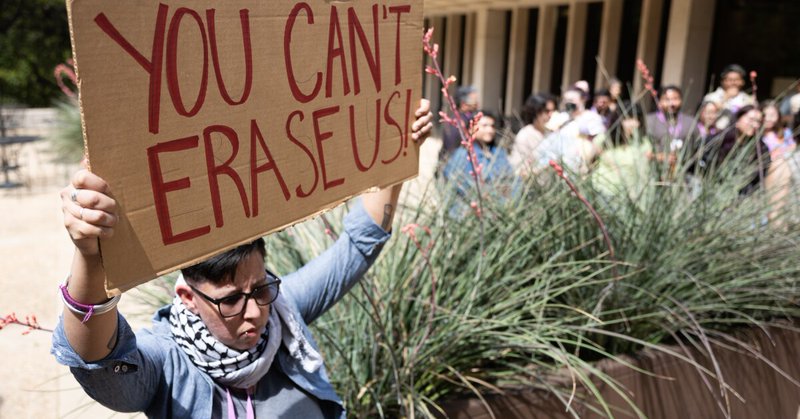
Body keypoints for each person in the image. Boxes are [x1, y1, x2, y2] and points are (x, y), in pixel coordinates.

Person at [51, 101, 434, 418]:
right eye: (232, 299)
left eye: (261, 287)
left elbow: (357, 247)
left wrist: (397, 158)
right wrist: (92, 255)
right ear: (188, 297)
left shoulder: (283, 312)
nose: (255, 313)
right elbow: (97, 358)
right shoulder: (167, 363)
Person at [443, 111, 516, 198]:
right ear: (471, 128)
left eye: (492, 126)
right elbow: (457, 183)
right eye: (484, 126)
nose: (490, 130)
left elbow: (510, 177)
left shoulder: (499, 153)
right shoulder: (462, 154)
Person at [703, 104, 769, 196]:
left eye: (758, 122)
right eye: (751, 120)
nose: (755, 125)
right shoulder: (719, 140)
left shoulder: (761, 149)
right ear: (738, 119)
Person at [509, 93, 555, 176]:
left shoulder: (552, 134)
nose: (550, 115)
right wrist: (544, 167)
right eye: (547, 111)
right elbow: (519, 171)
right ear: (535, 111)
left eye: (552, 111)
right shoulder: (525, 135)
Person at [645, 85, 699, 155]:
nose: (671, 104)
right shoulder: (649, 121)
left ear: (681, 100)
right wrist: (659, 157)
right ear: (659, 102)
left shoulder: (691, 122)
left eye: (675, 99)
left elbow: (695, 147)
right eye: (667, 99)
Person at [440, 85, 479, 160]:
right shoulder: (455, 123)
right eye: (474, 101)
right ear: (463, 105)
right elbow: (451, 148)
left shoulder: (469, 119)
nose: (477, 104)